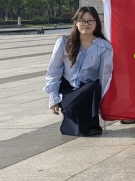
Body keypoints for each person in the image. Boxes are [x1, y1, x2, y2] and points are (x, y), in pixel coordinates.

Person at [44, 7, 113, 136]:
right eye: (82, 20)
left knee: (93, 87)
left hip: (89, 91)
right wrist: (53, 98)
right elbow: (54, 70)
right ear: (76, 22)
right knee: (75, 103)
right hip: (68, 90)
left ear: (96, 23)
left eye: (90, 20)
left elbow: (105, 76)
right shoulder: (64, 42)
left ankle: (86, 123)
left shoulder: (104, 46)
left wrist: (103, 104)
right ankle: (76, 116)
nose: (86, 24)